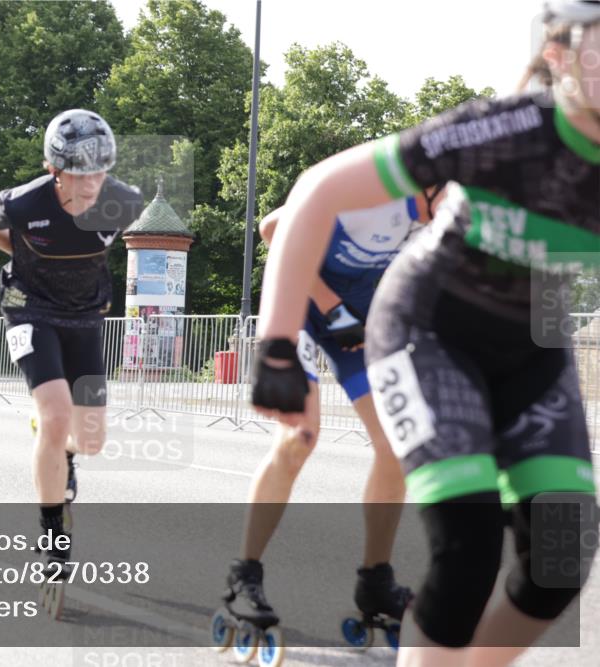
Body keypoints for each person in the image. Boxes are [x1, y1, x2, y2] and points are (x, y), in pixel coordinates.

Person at [248, 2, 599, 665]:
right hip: (429, 331)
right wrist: (278, 343)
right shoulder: (506, 129)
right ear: (557, 55)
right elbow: (316, 192)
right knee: (469, 546)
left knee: (560, 555)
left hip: (531, 347)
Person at [224, 193, 442, 644]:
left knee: (395, 445)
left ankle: (375, 581)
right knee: (299, 436)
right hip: (301, 303)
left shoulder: (451, 220)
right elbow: (272, 229)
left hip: (359, 321)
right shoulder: (379, 185)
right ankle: (244, 574)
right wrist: (332, 306)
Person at [0, 109, 143, 574]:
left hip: (85, 317)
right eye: (79, 175)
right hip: (29, 308)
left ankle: (65, 451)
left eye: (99, 172)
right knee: (55, 414)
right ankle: (53, 537)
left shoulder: (124, 201)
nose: (91, 185)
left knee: (91, 441)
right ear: (54, 170)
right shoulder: (24, 203)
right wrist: (23, 250)